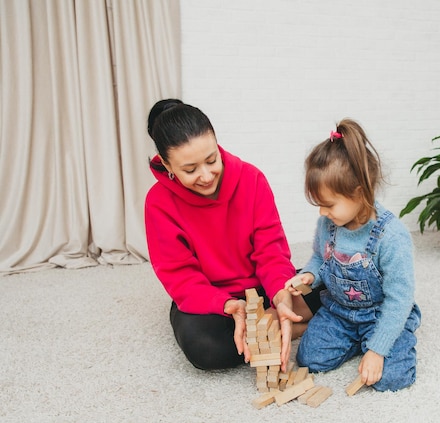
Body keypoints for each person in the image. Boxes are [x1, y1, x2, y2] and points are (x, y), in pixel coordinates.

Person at [145, 99, 317, 372]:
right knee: (205, 349)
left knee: (336, 285)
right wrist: (225, 304)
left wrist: (280, 295)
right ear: (167, 164)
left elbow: (271, 252)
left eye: (212, 160)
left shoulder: (251, 179)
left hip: (262, 286)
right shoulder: (158, 203)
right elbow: (180, 276)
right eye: (190, 170)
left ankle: (271, 322)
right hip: (213, 302)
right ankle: (287, 326)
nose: (205, 176)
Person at [285, 119, 421, 391]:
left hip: (380, 314)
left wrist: (378, 349)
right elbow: (320, 259)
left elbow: (399, 299)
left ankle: (379, 340)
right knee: (309, 359)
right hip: (339, 311)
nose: (322, 213)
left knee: (392, 379)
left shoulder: (391, 236)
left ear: (360, 193)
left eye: (328, 205)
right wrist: (309, 275)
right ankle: (357, 341)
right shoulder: (328, 224)